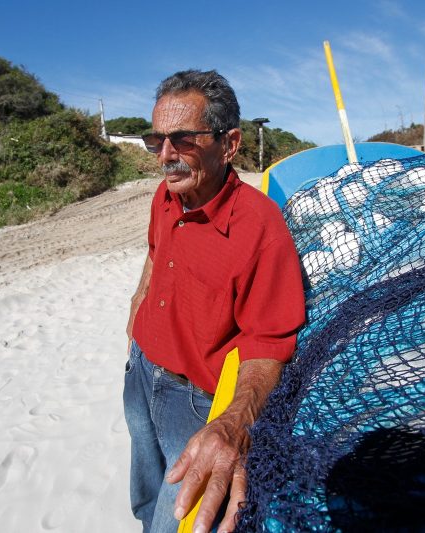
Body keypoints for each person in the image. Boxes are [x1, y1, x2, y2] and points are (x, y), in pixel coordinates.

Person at [124, 69, 306, 533]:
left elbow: (270, 342)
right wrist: (136, 310)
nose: (165, 156)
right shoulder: (166, 194)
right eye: (156, 140)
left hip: (193, 403)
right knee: (144, 494)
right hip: (140, 372)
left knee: (174, 522)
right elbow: (155, 251)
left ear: (229, 144)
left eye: (183, 140)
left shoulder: (261, 228)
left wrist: (233, 424)